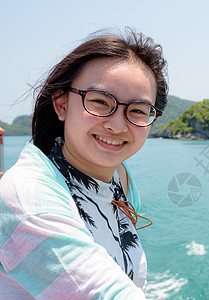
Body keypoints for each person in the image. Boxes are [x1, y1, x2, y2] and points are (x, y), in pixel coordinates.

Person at [0, 28, 168, 299]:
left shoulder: (118, 178)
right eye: (100, 102)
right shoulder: (29, 201)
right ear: (62, 104)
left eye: (137, 110)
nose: (117, 125)